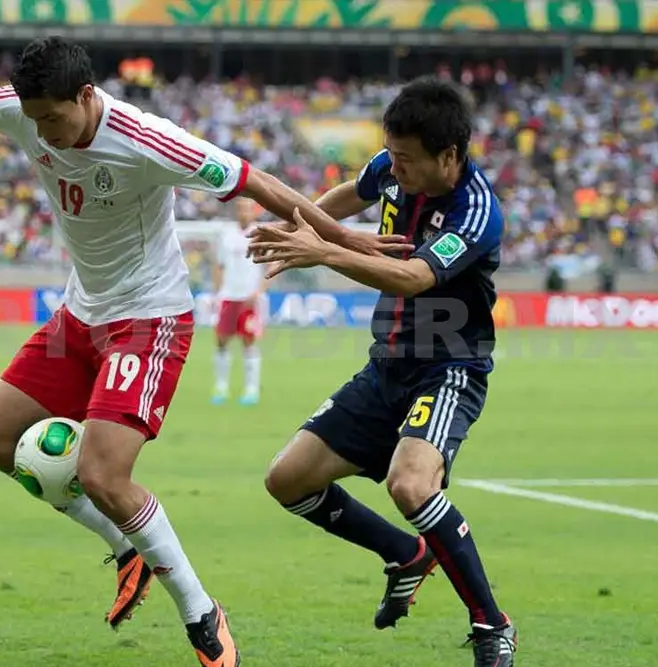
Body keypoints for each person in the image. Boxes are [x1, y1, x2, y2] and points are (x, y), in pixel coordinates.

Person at [0, 36, 405, 667]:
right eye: (35, 122)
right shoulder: (20, 108)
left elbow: (259, 183)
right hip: (80, 312)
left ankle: (201, 612)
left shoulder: (149, 139)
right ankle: (127, 549)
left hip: (149, 318)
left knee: (103, 475)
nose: (45, 135)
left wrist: (340, 239)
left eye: (55, 120)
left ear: (86, 97)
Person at [249, 77, 518, 667]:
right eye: (391, 155)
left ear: (449, 156)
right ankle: (405, 553)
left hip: (448, 367)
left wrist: (326, 251)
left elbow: (413, 277)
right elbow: (356, 189)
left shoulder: (476, 212)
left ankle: (492, 626)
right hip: (386, 368)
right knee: (287, 479)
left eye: (407, 160)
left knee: (411, 484)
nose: (394, 168)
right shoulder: (395, 163)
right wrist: (308, 223)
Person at [211, 199, 265, 406]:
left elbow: (271, 266)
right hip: (228, 296)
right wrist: (217, 293)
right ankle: (221, 386)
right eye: (240, 209)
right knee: (222, 341)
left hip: (248, 298)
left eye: (247, 209)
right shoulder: (227, 236)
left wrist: (258, 291)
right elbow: (219, 266)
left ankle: (251, 389)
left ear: (254, 212)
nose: (244, 213)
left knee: (248, 342)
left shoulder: (259, 237)